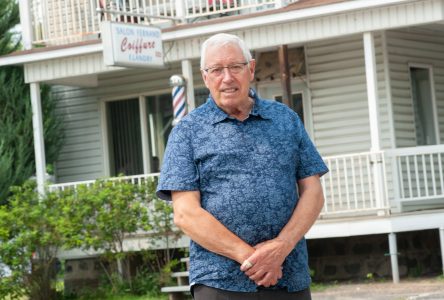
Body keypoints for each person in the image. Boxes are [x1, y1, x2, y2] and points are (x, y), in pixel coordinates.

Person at [156, 33, 328, 300]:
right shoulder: (187, 132)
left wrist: (280, 248)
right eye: (216, 70)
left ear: (251, 68)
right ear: (205, 77)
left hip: (288, 275)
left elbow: (313, 193)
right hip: (219, 281)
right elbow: (186, 214)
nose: (227, 78)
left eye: (235, 67)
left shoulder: (286, 119)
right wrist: (254, 259)